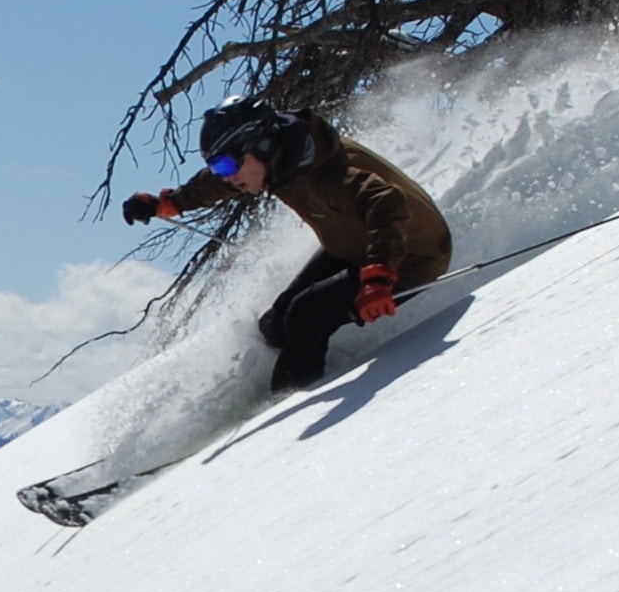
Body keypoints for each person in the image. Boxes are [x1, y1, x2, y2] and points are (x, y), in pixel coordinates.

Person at [124, 97, 454, 390]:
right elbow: (216, 185)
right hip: (353, 245)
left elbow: (387, 201)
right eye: (215, 166)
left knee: (304, 317)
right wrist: (166, 204)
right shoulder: (280, 163)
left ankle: (287, 409)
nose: (225, 176)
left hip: (411, 255)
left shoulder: (327, 171)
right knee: (275, 324)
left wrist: (380, 275)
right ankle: (308, 369)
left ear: (260, 145)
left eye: (225, 164)